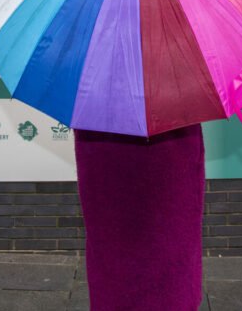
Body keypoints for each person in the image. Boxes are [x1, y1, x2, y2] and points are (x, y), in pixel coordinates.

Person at [75, 124, 205, 311]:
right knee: (163, 254)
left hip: (107, 144)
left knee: (120, 255)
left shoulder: (92, 100)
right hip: (166, 139)